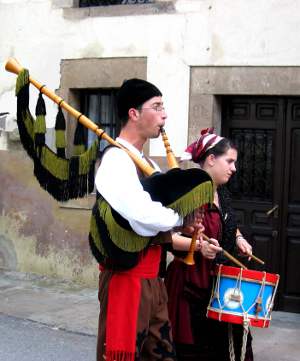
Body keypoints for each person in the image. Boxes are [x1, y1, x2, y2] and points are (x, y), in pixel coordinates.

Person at [94, 78, 196, 361]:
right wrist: (177, 216)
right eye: (157, 106)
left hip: (153, 280)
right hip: (126, 281)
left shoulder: (148, 164)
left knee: (162, 355)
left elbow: (157, 218)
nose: (164, 114)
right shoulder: (115, 160)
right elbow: (140, 216)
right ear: (133, 113)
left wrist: (184, 222)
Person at [165, 128, 254, 361]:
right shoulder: (189, 192)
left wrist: (238, 238)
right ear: (211, 159)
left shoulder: (221, 192)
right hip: (191, 286)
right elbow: (166, 236)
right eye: (230, 161)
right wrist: (198, 247)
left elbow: (228, 222)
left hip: (219, 285)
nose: (234, 168)